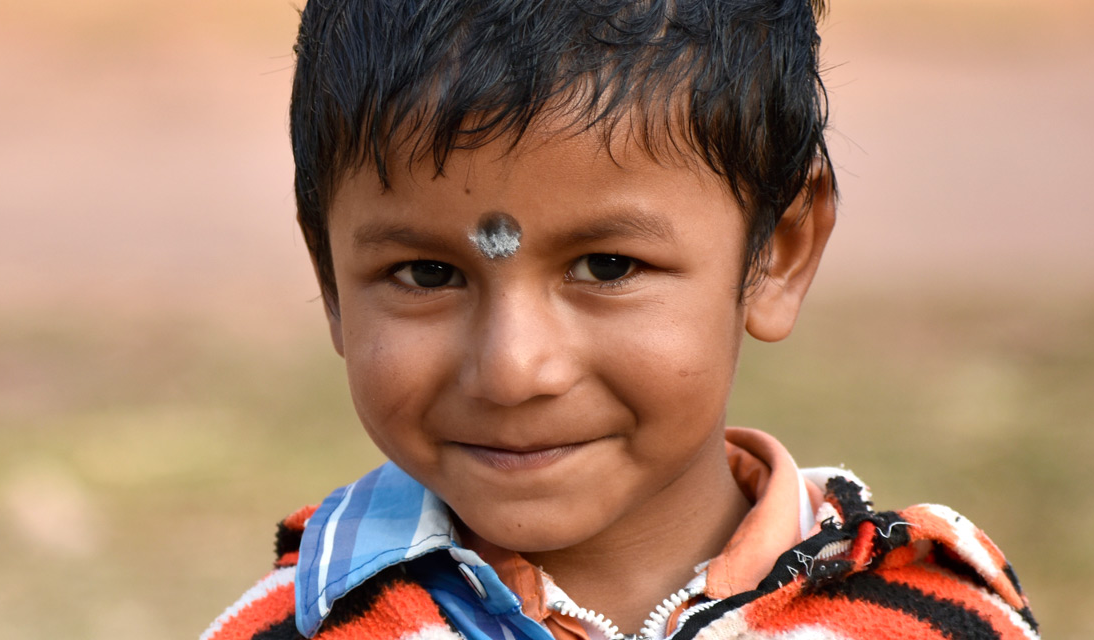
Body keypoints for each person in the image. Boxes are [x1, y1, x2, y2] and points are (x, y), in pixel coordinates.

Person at [201, 0, 1039, 638]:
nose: (513, 370)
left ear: (778, 249)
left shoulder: (932, 613)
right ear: (332, 280)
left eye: (607, 266)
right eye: (426, 273)